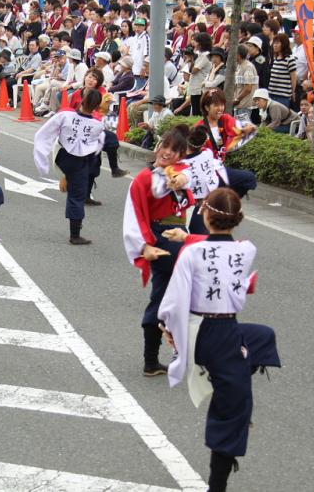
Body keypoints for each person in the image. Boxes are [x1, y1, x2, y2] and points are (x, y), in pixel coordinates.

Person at [158, 187, 280, 492]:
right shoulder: (246, 249)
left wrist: (169, 328)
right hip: (221, 333)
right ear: (239, 218)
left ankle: (230, 382)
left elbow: (174, 300)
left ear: (204, 214)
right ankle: (217, 485)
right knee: (233, 406)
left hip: (204, 330)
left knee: (262, 337)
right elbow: (224, 249)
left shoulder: (192, 253)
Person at [123, 128, 194, 376]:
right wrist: (144, 246)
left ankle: (152, 360)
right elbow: (133, 216)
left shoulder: (181, 173)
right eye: (165, 146)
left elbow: (192, 180)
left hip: (179, 236)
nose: (167, 152)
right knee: (191, 287)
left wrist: (182, 179)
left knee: (163, 296)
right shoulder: (145, 179)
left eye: (174, 150)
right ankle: (181, 348)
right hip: (162, 239)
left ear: (181, 155)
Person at [34, 89, 106, 245]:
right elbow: (98, 145)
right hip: (80, 160)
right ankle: (75, 234)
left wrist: (42, 160)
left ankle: (67, 176)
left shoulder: (64, 115)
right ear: (96, 107)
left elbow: (44, 134)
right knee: (76, 196)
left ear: (81, 99)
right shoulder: (98, 125)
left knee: (75, 176)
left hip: (62, 156)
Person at [195, 90, 258, 197]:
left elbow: (237, 128)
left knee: (249, 178)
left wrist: (246, 129)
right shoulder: (199, 128)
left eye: (222, 104)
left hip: (220, 169)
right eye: (216, 105)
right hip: (207, 172)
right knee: (204, 206)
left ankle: (230, 202)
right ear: (206, 108)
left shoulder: (225, 119)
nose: (220, 108)